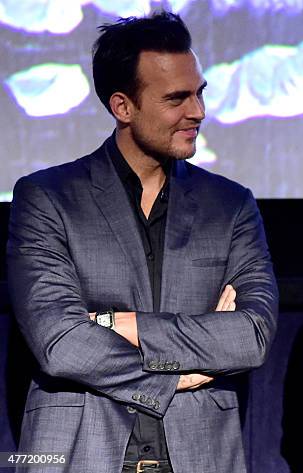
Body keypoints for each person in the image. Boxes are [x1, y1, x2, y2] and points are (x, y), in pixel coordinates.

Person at [7, 11, 278, 473]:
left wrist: (115, 322)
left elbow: (251, 336)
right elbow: (61, 343)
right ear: (122, 107)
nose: (198, 112)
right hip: (79, 452)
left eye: (199, 93)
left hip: (199, 454)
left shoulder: (231, 205)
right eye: (177, 98)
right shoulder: (46, 198)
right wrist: (177, 375)